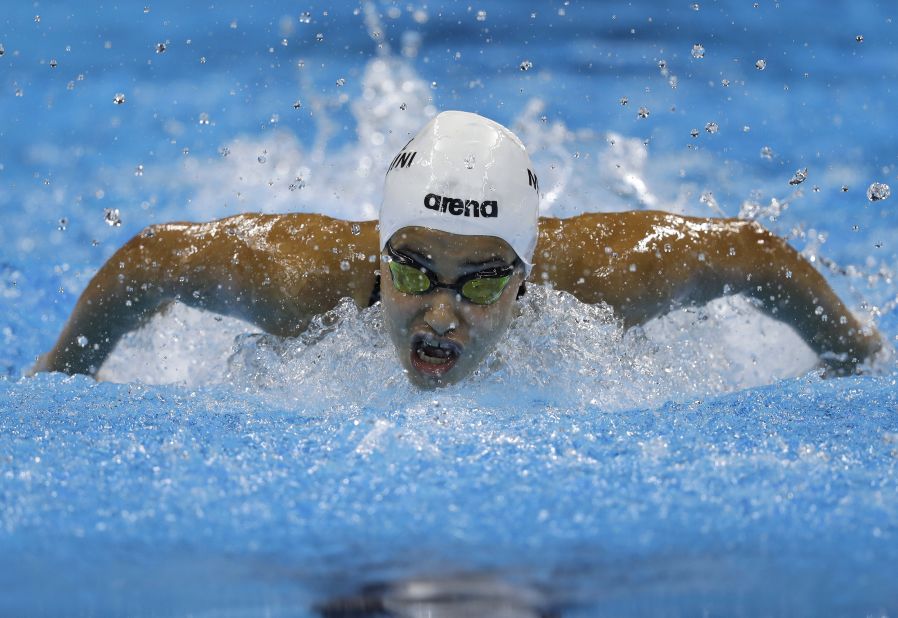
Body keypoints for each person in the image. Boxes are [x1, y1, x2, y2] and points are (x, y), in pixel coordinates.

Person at [33, 111, 882, 387]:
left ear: (524, 273)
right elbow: (152, 259)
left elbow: (750, 253)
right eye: (412, 271)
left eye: (481, 285)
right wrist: (63, 374)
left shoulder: (606, 280)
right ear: (380, 251)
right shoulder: (299, 281)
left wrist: (857, 357)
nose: (439, 313)